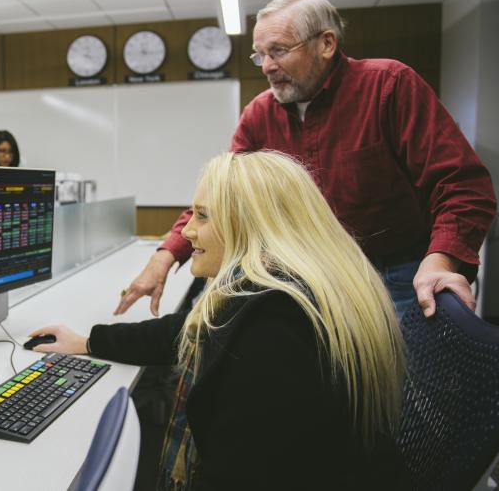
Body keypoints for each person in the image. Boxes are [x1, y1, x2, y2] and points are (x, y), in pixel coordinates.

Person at [31, 151, 408, 490]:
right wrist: (88, 342)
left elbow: (235, 477)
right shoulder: (280, 295)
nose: (187, 231)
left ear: (252, 225)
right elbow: (188, 331)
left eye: (203, 215)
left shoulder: (274, 333)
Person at [116, 0, 496, 319]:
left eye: (278, 51)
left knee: (403, 388)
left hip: (398, 269)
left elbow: (463, 186)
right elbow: (219, 198)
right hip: (316, 274)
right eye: (259, 55)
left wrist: (441, 260)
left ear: (326, 44)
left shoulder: (389, 86)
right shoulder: (260, 114)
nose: (266, 66)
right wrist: (166, 255)